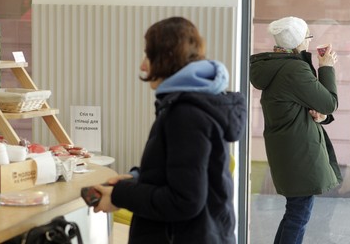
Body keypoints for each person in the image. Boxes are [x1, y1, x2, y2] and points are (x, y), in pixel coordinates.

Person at [93, 16, 247, 244]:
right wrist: (137, 179)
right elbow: (182, 172)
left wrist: (120, 195)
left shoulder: (186, 114)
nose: (143, 65)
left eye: (149, 55)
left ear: (166, 58)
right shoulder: (197, 103)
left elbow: (184, 200)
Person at [249, 16, 343, 243]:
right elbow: (329, 103)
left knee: (294, 212)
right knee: (298, 215)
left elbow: (307, 104)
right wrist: (326, 67)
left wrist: (320, 116)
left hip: (287, 150)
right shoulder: (294, 70)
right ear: (299, 41)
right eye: (308, 37)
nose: (310, 42)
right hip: (299, 153)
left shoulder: (276, 66)